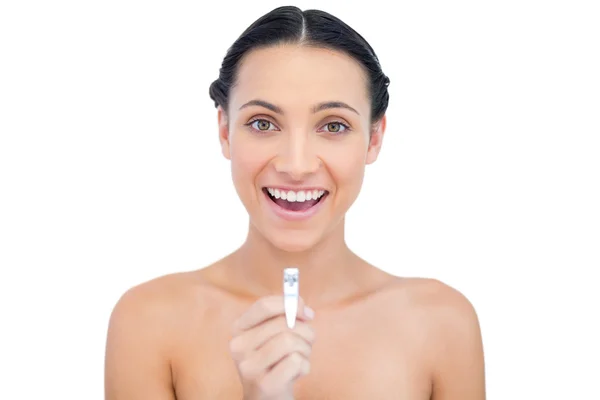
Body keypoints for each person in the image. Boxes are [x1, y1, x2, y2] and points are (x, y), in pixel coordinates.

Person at [104, 5, 486, 400]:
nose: (296, 166)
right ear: (224, 131)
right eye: (263, 124)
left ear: (374, 138)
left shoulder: (442, 324)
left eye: (334, 126)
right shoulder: (148, 322)